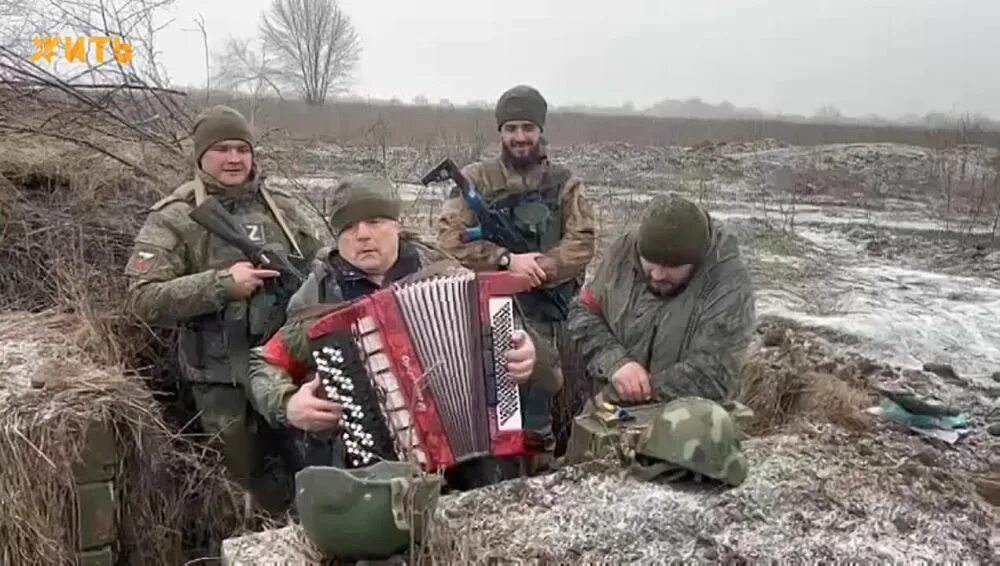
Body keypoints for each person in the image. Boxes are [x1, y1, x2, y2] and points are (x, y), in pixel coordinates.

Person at [243, 176, 561, 491]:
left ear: (398, 223)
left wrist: (531, 357)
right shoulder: (320, 298)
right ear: (336, 236)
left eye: (375, 221)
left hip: (476, 461)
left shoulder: (450, 275)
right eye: (349, 227)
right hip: (373, 471)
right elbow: (264, 363)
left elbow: (549, 370)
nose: (363, 235)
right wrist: (287, 404)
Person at [123, 105, 327, 513]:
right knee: (239, 491)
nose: (234, 158)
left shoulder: (282, 208)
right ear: (201, 156)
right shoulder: (177, 216)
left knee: (312, 474)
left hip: (285, 367)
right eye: (221, 149)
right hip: (221, 383)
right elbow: (141, 298)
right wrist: (221, 285)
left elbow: (322, 265)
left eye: (242, 148)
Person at [434, 84, 596, 469]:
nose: (520, 137)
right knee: (490, 414)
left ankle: (545, 473)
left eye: (527, 127)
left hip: (553, 314)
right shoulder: (477, 180)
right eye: (511, 129)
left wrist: (542, 268)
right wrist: (506, 260)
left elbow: (582, 242)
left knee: (552, 411)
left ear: (540, 130)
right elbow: (447, 240)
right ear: (500, 133)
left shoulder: (564, 182)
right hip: (490, 312)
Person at [563, 193, 755, 484]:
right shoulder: (625, 251)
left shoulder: (728, 281)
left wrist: (643, 387)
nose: (658, 274)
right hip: (611, 414)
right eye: (650, 263)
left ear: (696, 260)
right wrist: (616, 364)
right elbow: (582, 312)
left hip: (691, 437)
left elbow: (717, 374)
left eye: (672, 267)